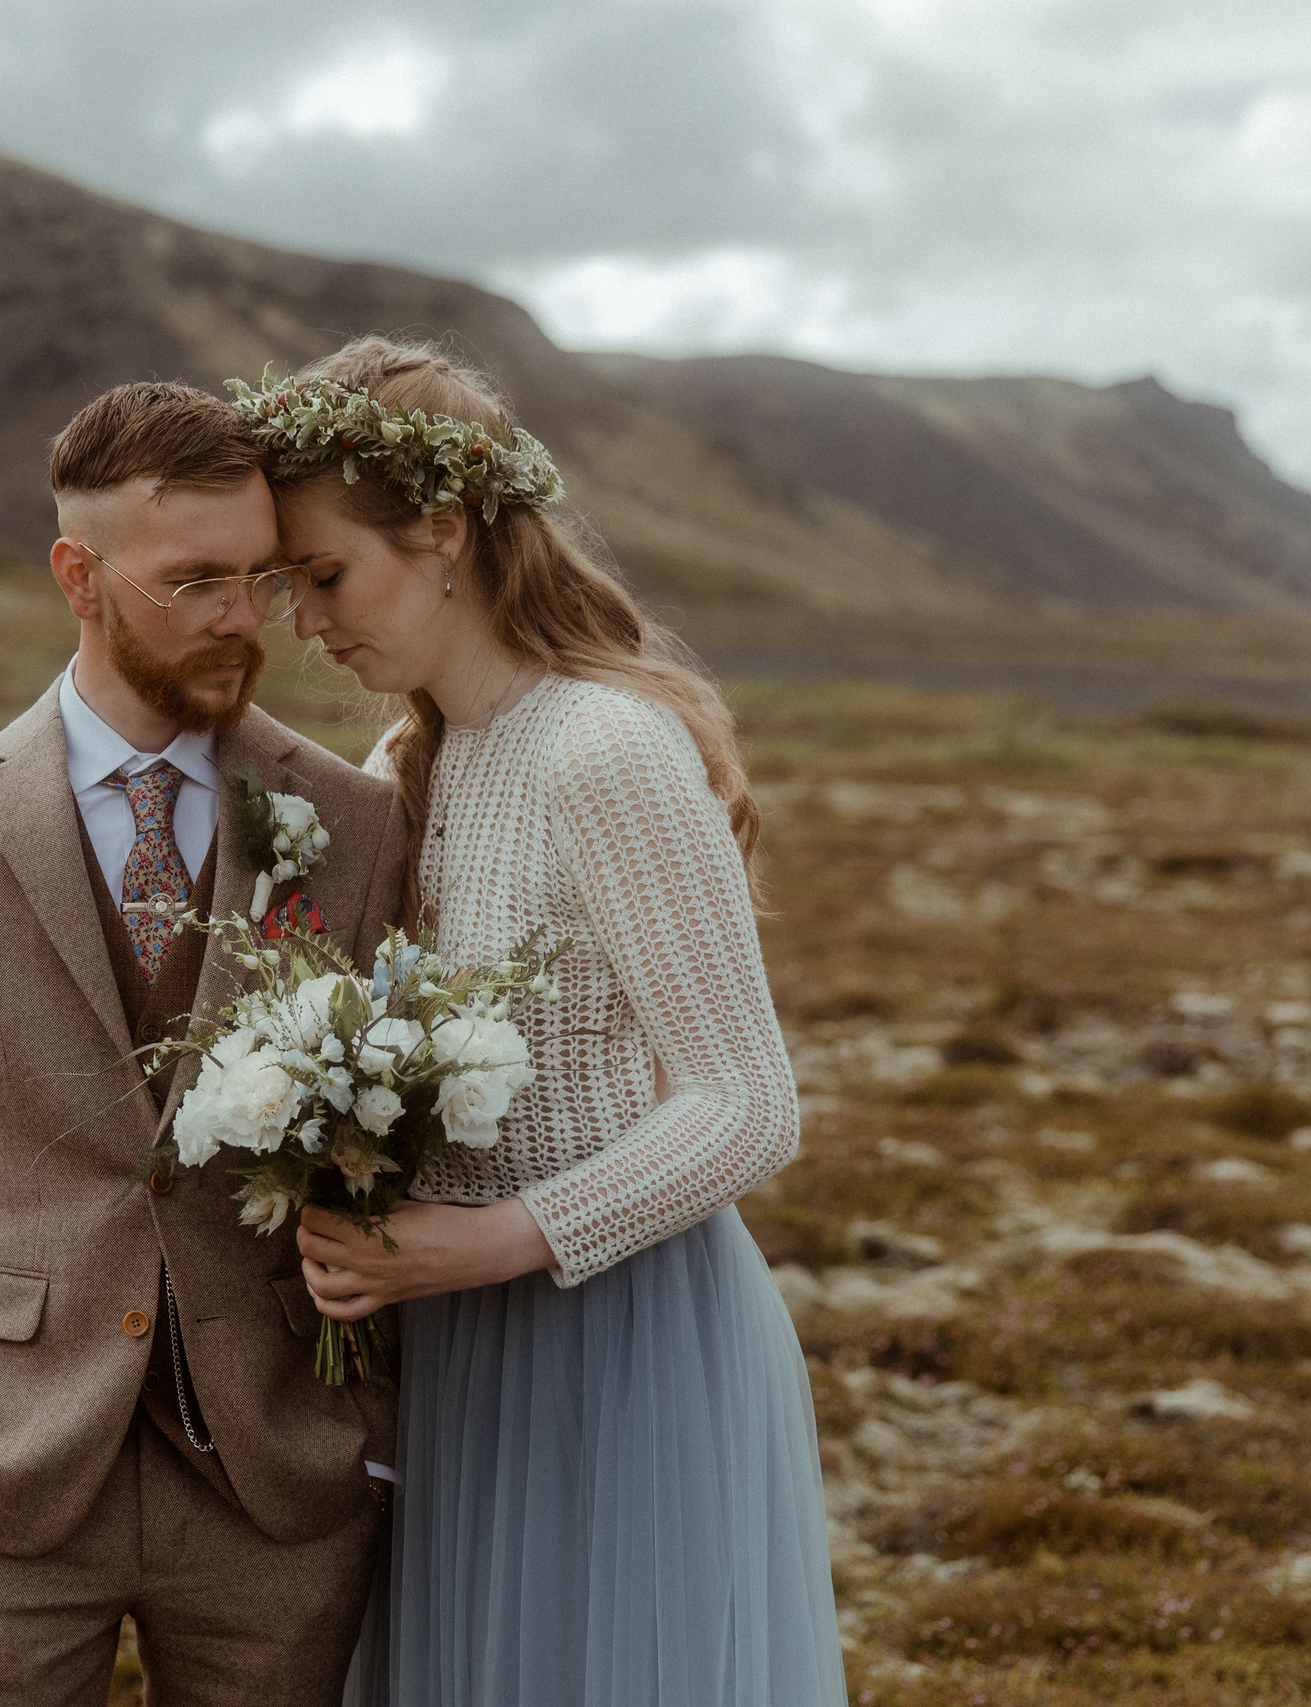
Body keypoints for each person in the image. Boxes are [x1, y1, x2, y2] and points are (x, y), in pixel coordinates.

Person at [260, 336, 847, 1706]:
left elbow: (749, 1102)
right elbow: (247, 907)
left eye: (325, 574)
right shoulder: (413, 760)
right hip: (458, 1340)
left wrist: (506, 1240)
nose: (304, 619)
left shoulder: (606, 747)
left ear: (445, 534)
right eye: (287, 584)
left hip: (626, 1333)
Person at [0, 381, 408, 1707]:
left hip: (278, 1488)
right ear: (78, 577)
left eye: (259, 578)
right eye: (192, 581)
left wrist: (368, 1434)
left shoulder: (355, 823)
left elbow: (396, 1161)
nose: (242, 620)